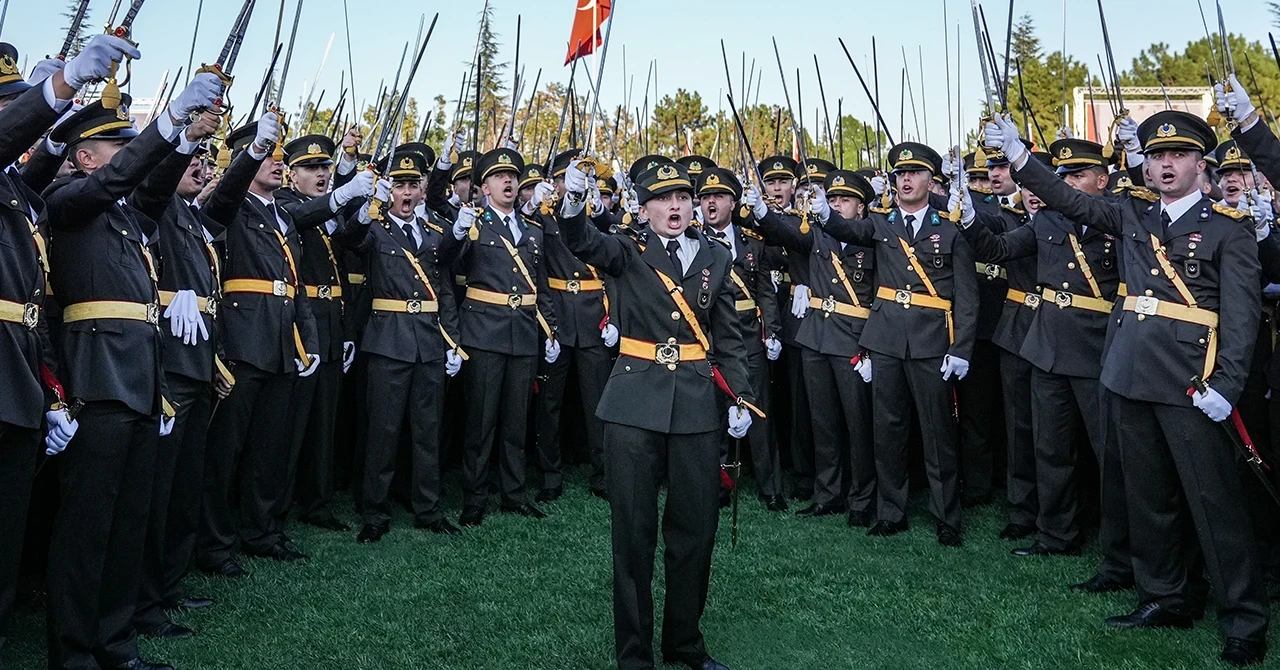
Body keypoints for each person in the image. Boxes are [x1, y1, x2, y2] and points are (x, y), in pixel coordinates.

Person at [985, 105, 1268, 666]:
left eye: (1179, 156)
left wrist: (1227, 385)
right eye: (1158, 156)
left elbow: (1242, 319)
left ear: (1200, 164)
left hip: (1192, 384)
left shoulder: (1226, 230)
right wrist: (1019, 157)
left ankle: (1244, 618)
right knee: (1148, 497)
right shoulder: (1132, 215)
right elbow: (1070, 201)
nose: (1166, 166)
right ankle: (1165, 595)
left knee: (1214, 505)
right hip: (1129, 374)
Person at [43, 59, 222, 670]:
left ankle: (116, 644)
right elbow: (117, 182)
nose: (123, 154)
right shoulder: (67, 198)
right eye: (112, 145)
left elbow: (148, 184)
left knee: (126, 524)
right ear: (85, 155)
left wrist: (185, 137)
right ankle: (73, 654)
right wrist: (166, 120)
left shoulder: (124, 215)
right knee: (87, 530)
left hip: (142, 380)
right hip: (97, 379)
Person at [557, 158, 752, 670]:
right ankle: (634, 655)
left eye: (683, 198)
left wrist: (741, 398)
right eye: (663, 200)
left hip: (695, 406)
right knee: (633, 534)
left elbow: (728, 334)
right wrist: (574, 202)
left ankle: (684, 644)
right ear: (642, 210)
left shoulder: (715, 253)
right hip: (633, 404)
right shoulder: (626, 249)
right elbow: (582, 240)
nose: (676, 207)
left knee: (695, 532)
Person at [956, 139, 1133, 584]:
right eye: (1064, 176)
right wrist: (971, 219)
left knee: (1110, 456)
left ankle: (1121, 552)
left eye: (1078, 176)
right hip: (1048, 347)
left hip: (1099, 349)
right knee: (1049, 448)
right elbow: (997, 250)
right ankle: (1055, 533)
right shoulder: (1048, 218)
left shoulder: (1122, 216)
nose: (1068, 183)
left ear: (1102, 179)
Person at [0, 39, 111, 668]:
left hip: (17, 380)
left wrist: (51, 393)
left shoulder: (16, 192)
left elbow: (32, 306)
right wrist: (61, 87)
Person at [811, 142, 979, 547]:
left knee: (938, 433)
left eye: (915, 173)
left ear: (930, 181)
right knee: (887, 429)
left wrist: (961, 349)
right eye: (900, 174)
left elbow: (967, 297)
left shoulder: (949, 227)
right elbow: (849, 228)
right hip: (885, 339)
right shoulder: (882, 224)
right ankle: (891, 511)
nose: (905, 179)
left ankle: (946, 516)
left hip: (931, 340)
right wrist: (824, 212)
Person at [197, 111, 319, 576]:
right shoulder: (228, 206)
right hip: (243, 339)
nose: (276, 161)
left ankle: (261, 529)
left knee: (269, 446)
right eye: (265, 153)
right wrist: (244, 161)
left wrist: (307, 339)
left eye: (277, 154)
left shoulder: (283, 216)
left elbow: (296, 283)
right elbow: (223, 201)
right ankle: (214, 544)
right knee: (226, 450)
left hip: (283, 339)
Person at [130, 120, 229, 641]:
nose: (200, 166)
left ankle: (168, 584)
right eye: (192, 158)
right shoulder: (156, 205)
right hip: (166, 361)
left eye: (206, 161)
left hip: (196, 361)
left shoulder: (190, 217)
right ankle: (145, 600)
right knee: (157, 489)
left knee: (184, 484)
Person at [338, 147, 465, 542]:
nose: (406, 193)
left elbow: (443, 290)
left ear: (423, 190)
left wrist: (452, 342)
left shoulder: (435, 234)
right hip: (387, 340)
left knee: (428, 429)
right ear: (388, 190)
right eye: (399, 185)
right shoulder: (375, 228)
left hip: (427, 341)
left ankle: (428, 508)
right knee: (383, 429)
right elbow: (350, 238)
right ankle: (374, 512)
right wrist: (365, 209)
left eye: (412, 185)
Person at [749, 168, 877, 524]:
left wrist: (870, 344)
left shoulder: (870, 238)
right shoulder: (816, 234)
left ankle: (862, 498)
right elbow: (785, 234)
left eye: (844, 200)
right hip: (816, 336)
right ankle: (827, 493)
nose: (836, 205)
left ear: (861, 208)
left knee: (858, 423)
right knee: (822, 422)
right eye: (832, 199)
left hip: (853, 337)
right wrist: (761, 211)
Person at [451, 147, 559, 526]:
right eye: (499, 176)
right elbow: (451, 262)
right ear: (483, 186)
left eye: (512, 175)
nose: (509, 181)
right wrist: (459, 231)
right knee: (481, 422)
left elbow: (541, 285)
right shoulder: (474, 223)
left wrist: (550, 328)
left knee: (517, 420)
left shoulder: (532, 230)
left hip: (524, 332)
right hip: (484, 331)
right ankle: (475, 496)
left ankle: (514, 494)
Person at [276, 134, 373, 533]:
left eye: (324, 168)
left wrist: (363, 213)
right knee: (293, 422)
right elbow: (301, 219)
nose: (320, 174)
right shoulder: (285, 204)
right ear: (291, 174)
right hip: (304, 321)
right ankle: (279, 505)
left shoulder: (325, 211)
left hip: (332, 320)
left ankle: (318, 502)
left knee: (324, 422)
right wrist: (340, 196)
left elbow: (344, 248)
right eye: (311, 168)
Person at [532, 148, 616, 502]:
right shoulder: (543, 216)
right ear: (555, 183)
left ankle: (603, 473)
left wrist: (614, 316)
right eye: (566, 178)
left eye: (582, 177)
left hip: (593, 314)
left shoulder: (598, 215)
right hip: (557, 314)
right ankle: (550, 475)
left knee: (597, 400)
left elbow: (615, 259)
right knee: (549, 402)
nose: (574, 184)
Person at [698, 167, 784, 511]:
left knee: (759, 412)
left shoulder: (753, 245)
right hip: (710, 338)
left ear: (732, 202)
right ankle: (718, 484)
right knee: (714, 415)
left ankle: (771, 487)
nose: (711, 203)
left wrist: (772, 331)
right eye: (705, 198)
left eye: (717, 196)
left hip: (749, 336)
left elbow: (765, 293)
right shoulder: (692, 241)